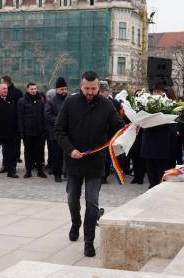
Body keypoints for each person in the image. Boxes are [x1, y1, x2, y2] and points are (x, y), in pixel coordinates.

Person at [54, 71, 123, 258]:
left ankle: (88, 241)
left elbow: (118, 126)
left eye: (93, 88)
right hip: (74, 160)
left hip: (95, 162)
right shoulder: (70, 102)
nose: (90, 92)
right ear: (81, 86)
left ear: (98, 87)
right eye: (87, 88)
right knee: (72, 199)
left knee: (92, 203)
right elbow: (59, 131)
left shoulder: (106, 104)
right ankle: (75, 222)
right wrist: (70, 150)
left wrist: (130, 126)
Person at [141, 83, 178, 188]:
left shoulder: (169, 105)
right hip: (148, 146)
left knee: (161, 177)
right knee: (151, 177)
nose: (157, 93)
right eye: (155, 91)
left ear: (163, 92)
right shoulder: (145, 104)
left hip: (162, 147)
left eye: (159, 91)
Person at [17, 82, 47, 179]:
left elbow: (44, 116)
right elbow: (19, 117)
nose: (34, 91)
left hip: (39, 132)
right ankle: (28, 171)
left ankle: (40, 170)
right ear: (27, 89)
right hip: (27, 132)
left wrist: (44, 131)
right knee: (28, 152)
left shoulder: (41, 101)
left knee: (40, 152)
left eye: (35, 89)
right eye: (31, 89)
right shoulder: (22, 101)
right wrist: (21, 131)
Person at [99, 80, 122, 184]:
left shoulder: (115, 103)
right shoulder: (95, 101)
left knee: (107, 155)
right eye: (99, 91)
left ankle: (104, 175)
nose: (101, 93)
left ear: (107, 92)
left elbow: (118, 119)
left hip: (110, 134)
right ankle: (98, 173)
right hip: (97, 134)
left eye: (103, 91)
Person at [45, 77, 68, 183]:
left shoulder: (69, 100)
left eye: (65, 89)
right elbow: (48, 115)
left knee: (69, 154)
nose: (64, 91)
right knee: (57, 156)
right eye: (62, 89)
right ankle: (57, 174)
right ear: (57, 89)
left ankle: (67, 172)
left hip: (69, 134)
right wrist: (60, 121)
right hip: (56, 134)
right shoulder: (51, 101)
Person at [1, 75, 23, 168]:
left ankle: (12, 166)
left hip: (14, 124)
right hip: (4, 124)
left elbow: (20, 109)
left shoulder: (17, 92)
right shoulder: (0, 92)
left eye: (2, 82)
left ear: (6, 82)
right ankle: (5, 165)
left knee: (14, 146)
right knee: (5, 147)